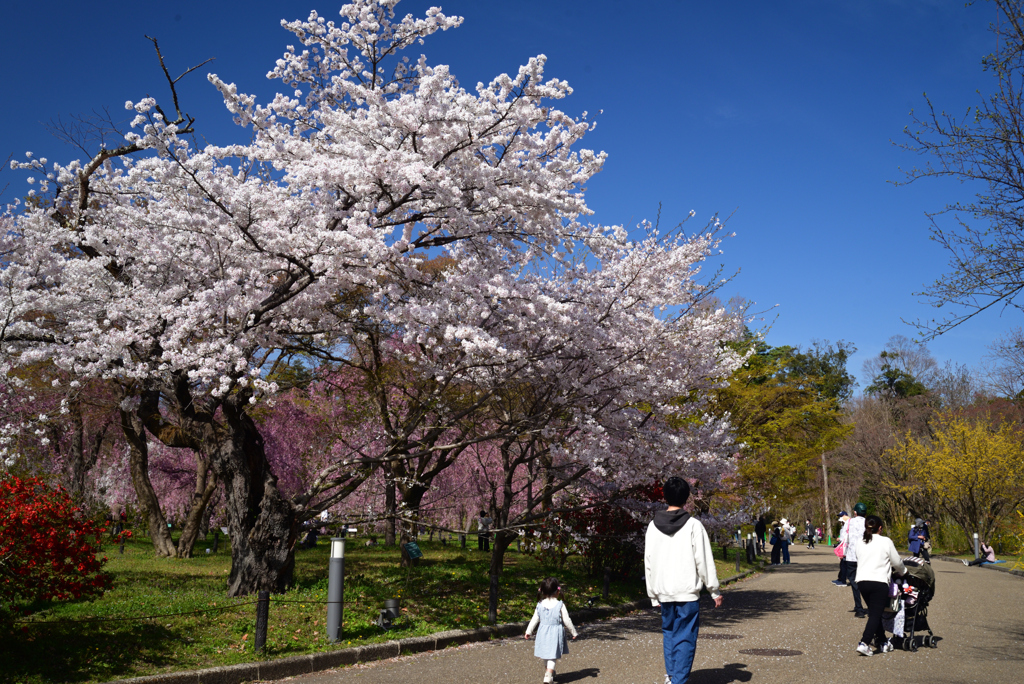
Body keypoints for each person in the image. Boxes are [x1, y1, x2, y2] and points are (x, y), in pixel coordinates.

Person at [645, 476, 722, 684]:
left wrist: (652, 593)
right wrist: (713, 590)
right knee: (685, 635)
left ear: (664, 496)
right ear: (687, 498)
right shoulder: (693, 526)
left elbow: (648, 561)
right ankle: (678, 680)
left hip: (664, 590)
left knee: (669, 633)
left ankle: (672, 676)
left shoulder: (653, 526)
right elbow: (704, 560)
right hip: (687, 590)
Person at [853, 515, 907, 656]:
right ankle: (864, 642)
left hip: (862, 581)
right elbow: (896, 562)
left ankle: (883, 642)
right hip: (879, 582)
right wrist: (904, 571)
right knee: (875, 615)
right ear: (880, 528)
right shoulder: (885, 541)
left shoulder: (860, 542)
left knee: (874, 612)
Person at [525, 577, 578, 684]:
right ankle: (548, 676)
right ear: (558, 591)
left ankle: (549, 672)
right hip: (555, 633)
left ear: (542, 591)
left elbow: (535, 619)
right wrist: (574, 632)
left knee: (546, 654)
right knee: (552, 655)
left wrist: (528, 631)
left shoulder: (540, 604)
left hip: (542, 632)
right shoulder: (560, 605)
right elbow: (567, 620)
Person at [842, 503, 868, 617]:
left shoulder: (849, 522)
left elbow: (844, 538)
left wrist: (842, 553)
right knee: (867, 581)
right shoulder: (869, 522)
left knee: (854, 582)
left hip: (852, 555)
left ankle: (859, 608)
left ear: (855, 512)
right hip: (866, 556)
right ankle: (871, 606)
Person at [832, 512, 849, 587]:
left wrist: (840, 539)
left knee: (844, 564)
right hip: (843, 545)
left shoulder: (848, 525)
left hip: (846, 546)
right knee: (842, 563)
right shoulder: (843, 526)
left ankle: (843, 580)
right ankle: (841, 578)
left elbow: (845, 537)